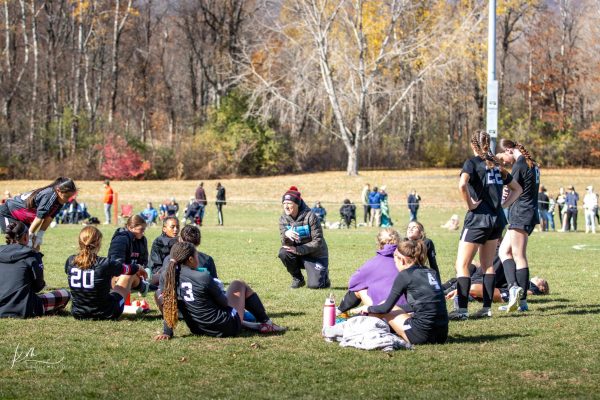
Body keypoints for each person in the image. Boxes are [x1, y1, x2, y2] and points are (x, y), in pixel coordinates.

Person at [449, 131, 522, 320]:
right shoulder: (497, 165)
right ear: (489, 144)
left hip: (478, 219)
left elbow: (462, 185)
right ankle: (486, 308)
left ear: (473, 145)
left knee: (462, 265)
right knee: (488, 265)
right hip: (497, 220)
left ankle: (462, 310)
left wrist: (470, 205)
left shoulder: (472, 163)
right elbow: (518, 189)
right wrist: (503, 206)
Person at [154, 242, 286, 340]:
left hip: (197, 329)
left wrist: (167, 332)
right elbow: (224, 303)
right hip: (226, 327)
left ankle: (249, 323)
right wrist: (216, 290)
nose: (198, 257)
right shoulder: (202, 277)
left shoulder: (167, 276)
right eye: (196, 255)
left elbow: (168, 304)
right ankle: (267, 323)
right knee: (238, 284)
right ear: (190, 259)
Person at [354, 239, 448, 345]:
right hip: (442, 335)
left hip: (421, 336)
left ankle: (366, 333)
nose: (395, 265)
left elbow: (385, 308)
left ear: (402, 260)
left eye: (395, 262)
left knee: (380, 309)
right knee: (397, 309)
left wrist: (367, 308)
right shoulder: (431, 272)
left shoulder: (404, 275)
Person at [65, 226, 148, 320]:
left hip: (78, 313)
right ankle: (143, 287)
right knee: (128, 276)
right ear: (98, 243)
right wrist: (138, 267)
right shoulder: (105, 263)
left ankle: (142, 287)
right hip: (106, 313)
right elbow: (129, 269)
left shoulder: (70, 261)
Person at [498, 139, 540, 313]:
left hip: (521, 212)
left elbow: (514, 188)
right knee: (504, 251)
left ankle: (520, 299)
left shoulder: (520, 163)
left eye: (504, 156)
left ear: (509, 150)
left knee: (518, 255)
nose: (505, 161)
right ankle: (515, 290)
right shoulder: (531, 163)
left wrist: (503, 204)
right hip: (528, 212)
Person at [0, 221, 71, 318]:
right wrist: (37, 254)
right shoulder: (32, 255)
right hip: (25, 308)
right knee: (65, 294)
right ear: (25, 237)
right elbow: (39, 287)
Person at [337, 228, 406, 315]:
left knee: (360, 288)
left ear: (378, 243)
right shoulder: (406, 261)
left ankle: (339, 310)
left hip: (384, 311)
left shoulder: (374, 263)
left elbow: (352, 283)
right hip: (408, 311)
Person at [154, 224, 218, 312]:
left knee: (158, 292)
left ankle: (169, 314)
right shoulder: (207, 259)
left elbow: (164, 286)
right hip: (201, 308)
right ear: (199, 242)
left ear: (180, 239)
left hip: (178, 309)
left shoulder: (170, 259)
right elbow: (215, 284)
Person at [0, 177, 77, 250]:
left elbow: (49, 218)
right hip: (9, 213)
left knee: (35, 247)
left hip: (23, 219)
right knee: (15, 243)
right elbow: (39, 218)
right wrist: (29, 236)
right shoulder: (50, 195)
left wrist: (40, 235)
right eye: (66, 196)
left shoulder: (60, 201)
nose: (68, 200)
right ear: (58, 190)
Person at [278, 186, 330, 289]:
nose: (286, 207)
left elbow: (317, 241)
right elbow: (286, 244)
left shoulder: (311, 216)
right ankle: (298, 279)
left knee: (315, 285)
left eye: (289, 203)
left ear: (297, 204)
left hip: (315, 256)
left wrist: (298, 249)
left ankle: (324, 277)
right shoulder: (283, 219)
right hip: (298, 254)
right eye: (284, 203)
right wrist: (286, 236)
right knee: (283, 252)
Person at [107, 215, 149, 295]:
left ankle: (142, 285)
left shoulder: (142, 240)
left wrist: (143, 270)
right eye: (141, 229)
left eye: (144, 229)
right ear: (130, 227)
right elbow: (116, 265)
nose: (143, 232)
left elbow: (144, 262)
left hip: (135, 274)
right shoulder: (121, 239)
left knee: (157, 276)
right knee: (129, 274)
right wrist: (135, 268)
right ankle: (142, 287)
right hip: (118, 276)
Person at [148, 217, 180, 287]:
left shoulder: (176, 240)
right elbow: (168, 243)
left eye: (177, 227)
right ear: (164, 229)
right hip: (157, 270)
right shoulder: (160, 240)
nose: (176, 229)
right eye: (172, 227)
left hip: (170, 269)